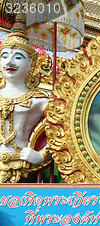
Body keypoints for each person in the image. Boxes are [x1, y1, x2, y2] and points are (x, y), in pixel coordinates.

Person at [0, 14, 51, 183]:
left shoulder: (40, 100)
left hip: (21, 167)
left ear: (31, 63)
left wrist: (40, 155)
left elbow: (62, 131)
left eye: (18, 57)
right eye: (4, 55)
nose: (10, 62)